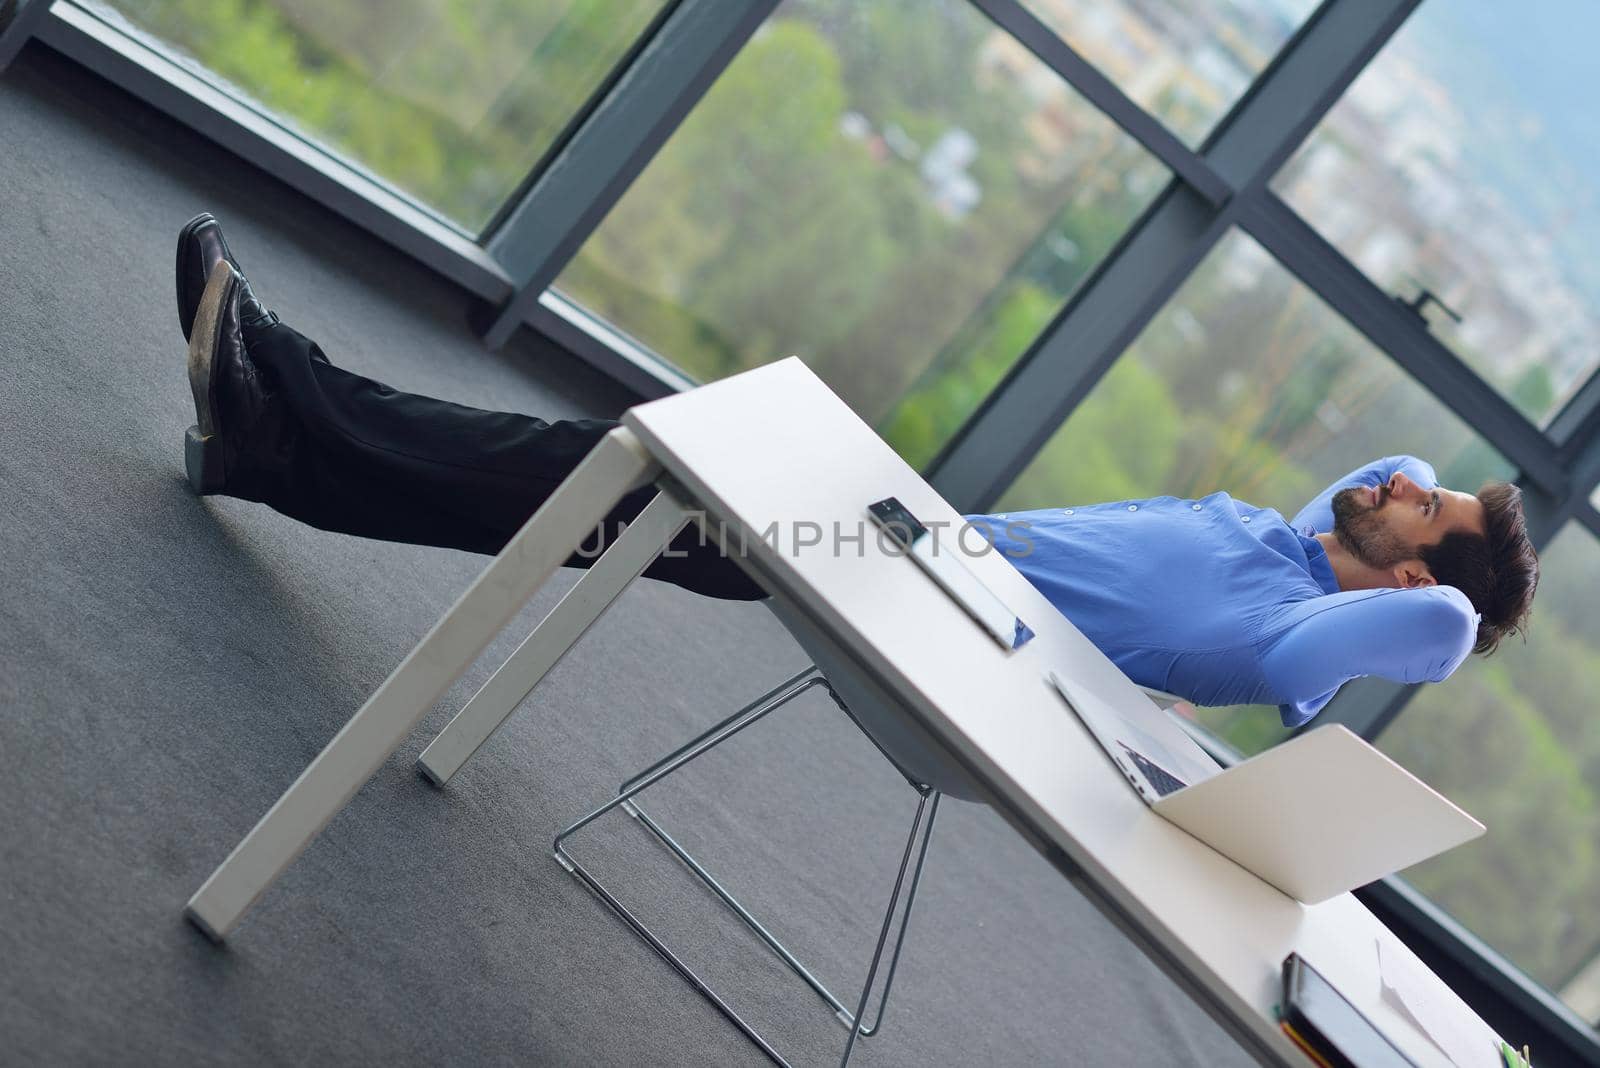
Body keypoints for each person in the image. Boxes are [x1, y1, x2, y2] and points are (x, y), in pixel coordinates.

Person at [176, 214, 1539, 728]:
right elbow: (1386, 480)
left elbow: (1424, 621)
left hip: (922, 624)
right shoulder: (1291, 548)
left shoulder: (1305, 638)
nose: (1402, 476)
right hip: (908, 551)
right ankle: (276, 444)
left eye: (1428, 505)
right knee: (594, 486)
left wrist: (1464, 581)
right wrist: (1441, 507)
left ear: (1416, 574)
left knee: (611, 477)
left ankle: (282, 384)